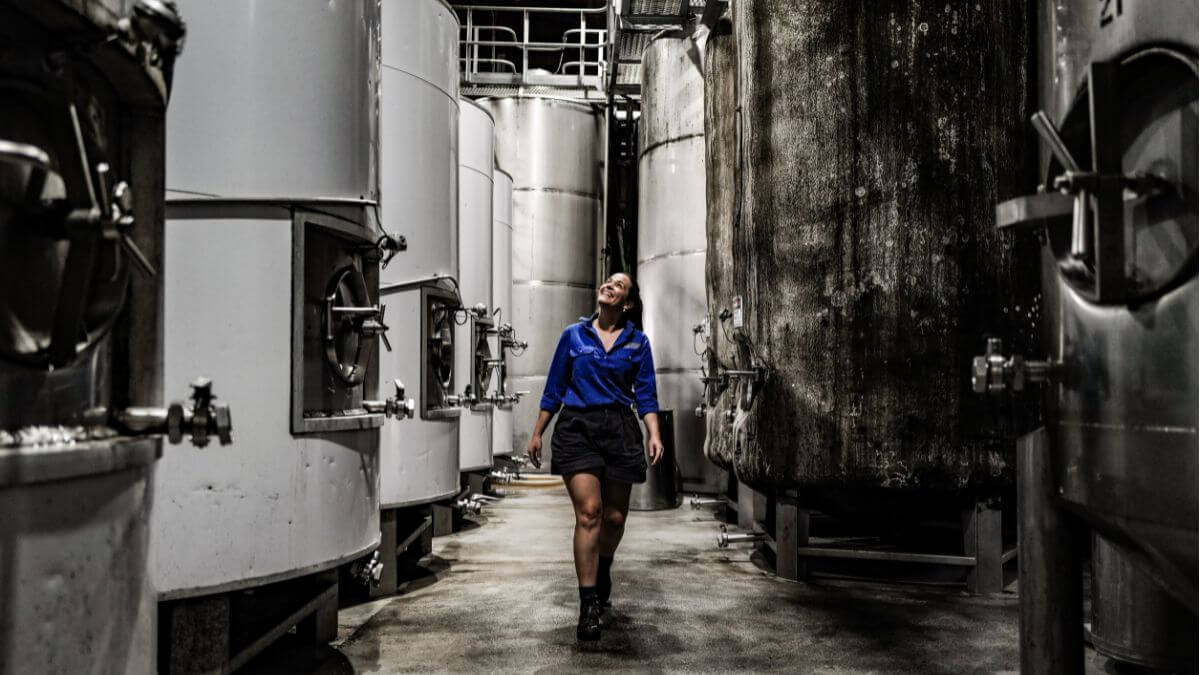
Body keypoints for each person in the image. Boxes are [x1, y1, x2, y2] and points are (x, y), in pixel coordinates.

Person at [526, 271, 665, 643]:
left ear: (627, 303)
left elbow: (647, 393)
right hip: (577, 428)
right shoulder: (574, 336)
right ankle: (588, 604)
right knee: (590, 512)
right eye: (607, 281)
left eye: (618, 286)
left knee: (615, 518)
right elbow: (554, 387)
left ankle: (603, 566)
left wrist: (654, 433)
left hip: (620, 429)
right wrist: (538, 432)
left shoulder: (638, 343)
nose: (608, 285)